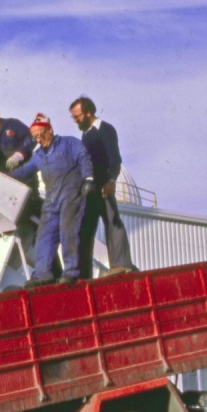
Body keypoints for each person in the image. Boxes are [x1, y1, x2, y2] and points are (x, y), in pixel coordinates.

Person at [10, 113, 94, 288]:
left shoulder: (69, 143)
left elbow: (83, 156)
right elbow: (25, 170)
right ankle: (42, 274)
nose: (38, 140)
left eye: (40, 135)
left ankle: (71, 272)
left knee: (68, 232)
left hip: (71, 194)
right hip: (51, 199)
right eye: (35, 137)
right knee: (44, 235)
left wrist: (88, 178)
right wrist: (4, 176)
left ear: (50, 130)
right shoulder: (38, 155)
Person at [69, 96, 136, 278]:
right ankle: (84, 273)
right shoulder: (86, 134)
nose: (75, 120)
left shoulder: (105, 129)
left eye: (77, 116)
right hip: (89, 188)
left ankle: (121, 263)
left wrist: (111, 181)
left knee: (112, 221)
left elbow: (115, 158)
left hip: (103, 185)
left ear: (88, 113)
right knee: (86, 229)